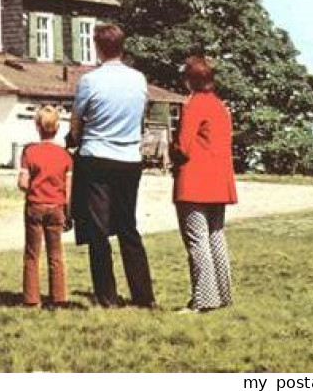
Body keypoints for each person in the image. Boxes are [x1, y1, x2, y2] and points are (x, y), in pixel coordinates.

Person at [69, 23, 155, 309]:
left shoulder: (90, 81)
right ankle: (143, 295)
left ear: (97, 47)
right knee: (128, 227)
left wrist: (75, 140)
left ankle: (107, 296)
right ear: (122, 46)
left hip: (97, 157)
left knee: (98, 230)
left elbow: (77, 122)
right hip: (129, 158)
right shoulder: (138, 80)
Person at [171, 55, 237, 313]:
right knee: (216, 237)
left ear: (190, 80)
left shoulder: (193, 104)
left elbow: (184, 147)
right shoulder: (220, 106)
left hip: (195, 182)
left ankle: (204, 299)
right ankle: (222, 295)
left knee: (197, 241)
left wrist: (171, 150)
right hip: (219, 182)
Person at [18, 104, 73, 308]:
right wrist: (69, 213)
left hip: (35, 205)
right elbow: (68, 190)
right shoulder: (66, 155)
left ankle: (31, 298)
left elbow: (23, 183)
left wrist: (31, 188)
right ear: (58, 128)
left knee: (32, 254)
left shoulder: (29, 152)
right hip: (57, 207)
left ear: (37, 127)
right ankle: (59, 298)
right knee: (56, 254)